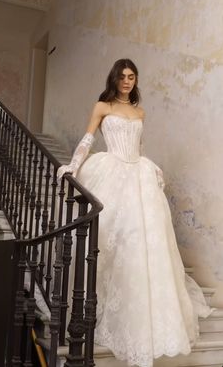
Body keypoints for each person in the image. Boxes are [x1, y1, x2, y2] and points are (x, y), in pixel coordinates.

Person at [57, 59, 211, 367]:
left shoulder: (140, 112)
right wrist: (72, 166)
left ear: (135, 80)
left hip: (137, 174)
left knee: (143, 243)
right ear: (114, 78)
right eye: (122, 76)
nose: (127, 81)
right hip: (111, 170)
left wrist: (150, 165)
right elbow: (89, 139)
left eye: (132, 77)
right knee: (112, 241)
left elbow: (138, 148)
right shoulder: (102, 106)